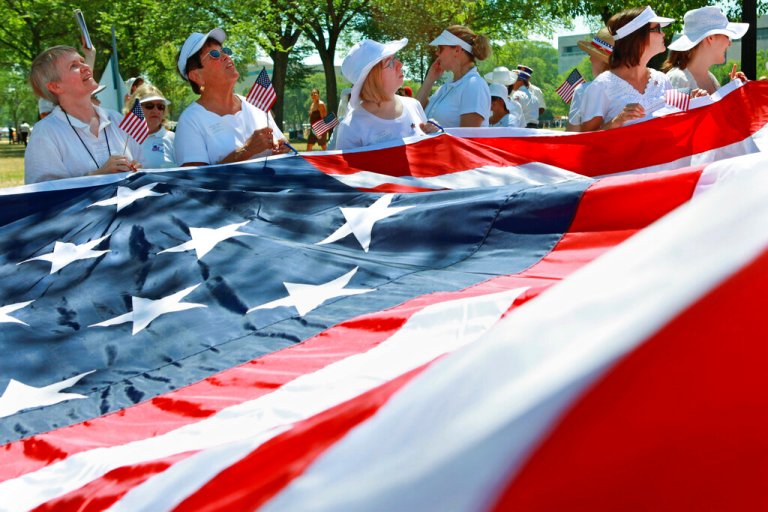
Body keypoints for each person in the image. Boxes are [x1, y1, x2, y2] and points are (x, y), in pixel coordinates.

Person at [25, 45, 141, 184]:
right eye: (74, 66)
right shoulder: (45, 132)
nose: (86, 67)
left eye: (82, 61)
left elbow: (142, 164)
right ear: (56, 86)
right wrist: (98, 175)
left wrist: (135, 171)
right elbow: (43, 197)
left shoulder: (116, 118)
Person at [174, 28, 287, 167]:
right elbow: (194, 181)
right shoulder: (190, 121)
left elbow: (285, 148)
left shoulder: (256, 105)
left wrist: (282, 150)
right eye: (214, 54)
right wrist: (246, 150)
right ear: (196, 76)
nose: (226, 56)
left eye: (225, 51)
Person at [579, 6, 675, 132]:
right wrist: (616, 122)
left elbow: (679, 113)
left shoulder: (663, 79)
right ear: (637, 37)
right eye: (657, 29)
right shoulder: (600, 86)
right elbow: (585, 141)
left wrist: (696, 99)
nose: (663, 33)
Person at [335, 38, 437, 150]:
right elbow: (346, 168)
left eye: (395, 59)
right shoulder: (351, 127)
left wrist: (433, 136)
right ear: (373, 77)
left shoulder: (413, 105)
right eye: (390, 63)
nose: (400, 64)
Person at [415, 25, 492, 127]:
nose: (437, 53)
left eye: (440, 48)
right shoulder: (446, 87)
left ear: (457, 50)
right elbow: (415, 111)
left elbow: (468, 139)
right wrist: (429, 80)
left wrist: (439, 133)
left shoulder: (474, 85)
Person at [662, 6, 749, 94]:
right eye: (727, 36)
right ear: (710, 38)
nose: (730, 43)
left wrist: (732, 90)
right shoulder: (678, 78)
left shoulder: (711, 78)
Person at [567, 27, 614, 131]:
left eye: (591, 54)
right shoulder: (648, 87)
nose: (590, 59)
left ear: (602, 59)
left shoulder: (585, 90)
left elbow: (573, 134)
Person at [130, 84, 177, 168]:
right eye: (149, 106)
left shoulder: (173, 139)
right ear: (136, 108)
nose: (156, 110)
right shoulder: (124, 139)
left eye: (160, 107)